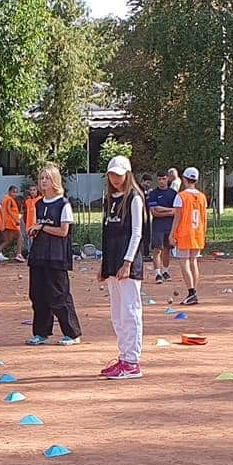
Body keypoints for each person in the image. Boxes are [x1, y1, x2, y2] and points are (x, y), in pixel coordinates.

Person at [97, 156, 149, 379]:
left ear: (127, 174)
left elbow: (137, 233)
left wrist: (127, 262)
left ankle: (132, 361)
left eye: (119, 174)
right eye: (112, 174)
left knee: (130, 311)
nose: (115, 179)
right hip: (112, 262)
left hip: (127, 263)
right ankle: (123, 355)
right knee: (117, 314)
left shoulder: (135, 198)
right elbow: (107, 234)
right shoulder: (109, 200)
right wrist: (104, 264)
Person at [25, 163, 83, 346]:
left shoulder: (63, 203)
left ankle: (72, 333)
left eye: (47, 178)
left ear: (55, 181)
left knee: (59, 294)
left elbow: (63, 231)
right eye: (41, 178)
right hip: (39, 254)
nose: (43, 181)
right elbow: (38, 225)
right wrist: (35, 230)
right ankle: (41, 333)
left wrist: (42, 227)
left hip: (56, 255)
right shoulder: (39, 204)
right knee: (38, 294)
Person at [173, 167, 208, 304]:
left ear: (184, 179)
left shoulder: (181, 196)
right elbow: (204, 216)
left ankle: (191, 291)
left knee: (184, 261)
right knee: (194, 262)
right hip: (197, 232)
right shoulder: (202, 197)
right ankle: (194, 291)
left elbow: (177, 218)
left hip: (184, 233)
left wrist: (172, 234)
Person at [145, 168, 180, 283]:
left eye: (164, 179)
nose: (161, 181)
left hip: (170, 225)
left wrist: (164, 210)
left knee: (167, 250)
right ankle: (157, 273)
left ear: (167, 179)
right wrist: (170, 210)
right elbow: (154, 211)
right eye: (159, 179)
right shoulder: (153, 194)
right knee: (157, 250)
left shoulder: (173, 193)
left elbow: (177, 211)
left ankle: (165, 271)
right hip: (157, 226)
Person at [0, 184, 26, 263]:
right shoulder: (9, 199)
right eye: (13, 192)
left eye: (16, 192)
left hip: (8, 222)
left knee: (8, 240)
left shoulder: (7, 198)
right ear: (9, 192)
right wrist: (15, 220)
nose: (15, 194)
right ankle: (18, 254)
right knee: (20, 236)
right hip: (12, 223)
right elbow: (8, 210)